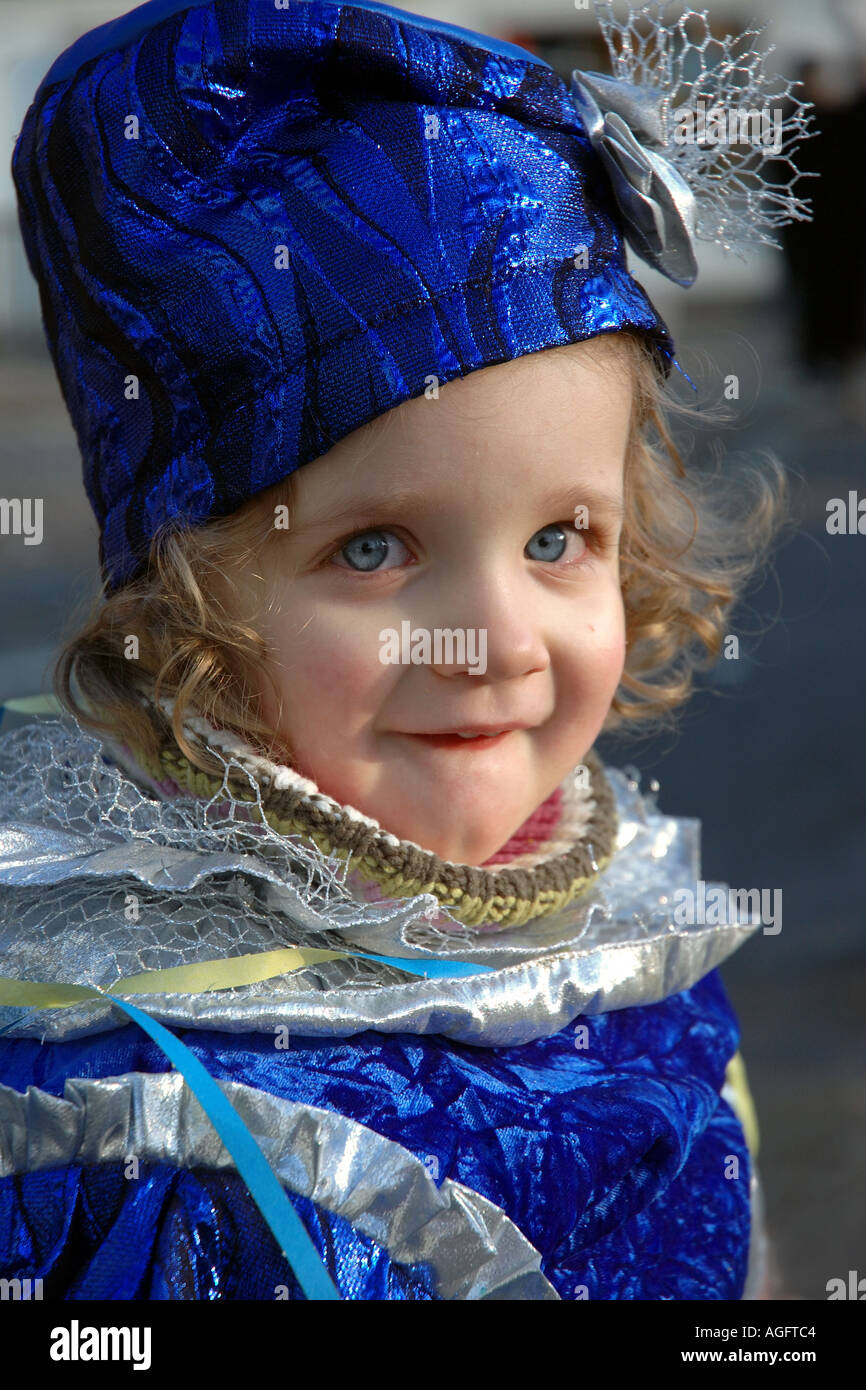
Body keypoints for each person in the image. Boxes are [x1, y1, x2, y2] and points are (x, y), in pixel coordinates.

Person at [0, 0, 809, 1300]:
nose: (492, 640)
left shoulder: (640, 935)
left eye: (559, 539)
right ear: (186, 604)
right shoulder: (136, 1101)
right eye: (372, 548)